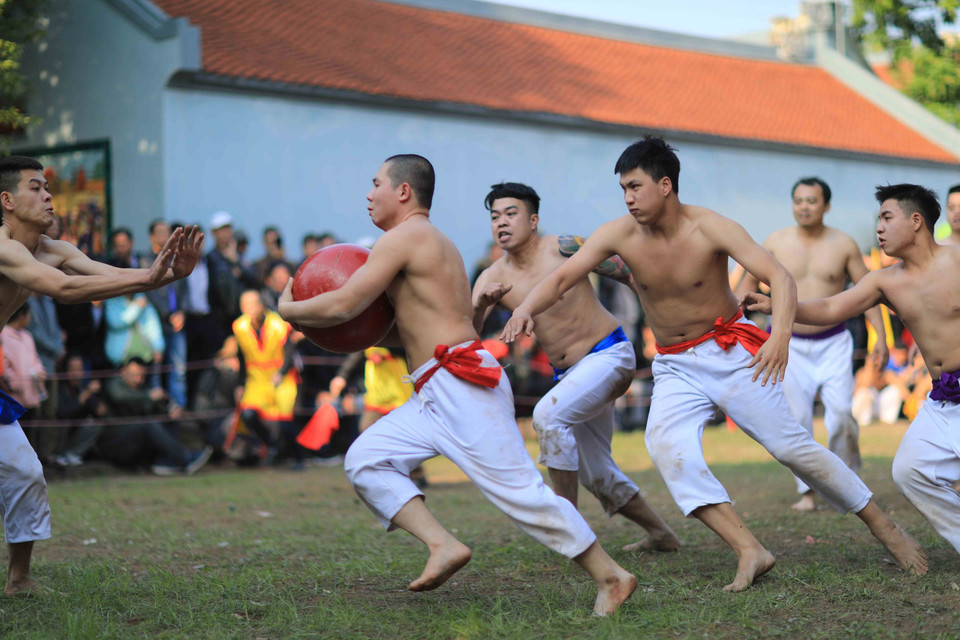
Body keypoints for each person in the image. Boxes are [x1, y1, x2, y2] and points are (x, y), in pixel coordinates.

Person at [501, 137, 927, 591]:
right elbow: (565, 274)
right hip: (673, 363)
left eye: (635, 187)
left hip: (730, 350)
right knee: (667, 447)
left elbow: (778, 277)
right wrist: (526, 307)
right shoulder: (618, 233)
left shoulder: (711, 227)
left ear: (665, 185)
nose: (627, 198)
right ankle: (750, 550)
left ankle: (886, 528)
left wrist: (779, 336)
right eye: (623, 189)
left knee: (790, 448)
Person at [278, 154, 636, 615]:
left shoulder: (403, 238)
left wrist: (289, 310)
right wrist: (331, 331)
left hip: (461, 383)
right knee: (366, 459)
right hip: (433, 386)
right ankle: (443, 545)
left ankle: (612, 576)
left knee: (521, 493)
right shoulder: (432, 241)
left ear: (403, 192)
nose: (369, 195)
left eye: (375, 184)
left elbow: (343, 304)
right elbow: (395, 332)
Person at [0, 155, 202, 595]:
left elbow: (111, 276)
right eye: (36, 187)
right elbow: (66, 290)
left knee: (24, 472)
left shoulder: (52, 249)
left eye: (47, 186)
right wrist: (151, 276)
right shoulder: (3, 248)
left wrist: (165, 276)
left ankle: (19, 579)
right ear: (8, 200)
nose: (48, 195)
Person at [743, 183, 960, 558]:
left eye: (886, 218)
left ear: (915, 221)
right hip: (943, 397)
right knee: (909, 470)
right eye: (878, 219)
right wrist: (775, 304)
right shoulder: (884, 281)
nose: (878, 227)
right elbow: (829, 308)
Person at [472, 181, 678, 552]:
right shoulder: (491, 277)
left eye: (511, 213)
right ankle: (662, 535)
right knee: (596, 473)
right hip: (569, 376)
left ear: (533, 220)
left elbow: (630, 273)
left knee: (548, 417)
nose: (501, 222)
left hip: (610, 355)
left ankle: (569, 527)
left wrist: (657, 325)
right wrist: (478, 307)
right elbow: (465, 335)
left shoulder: (564, 247)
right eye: (494, 216)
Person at [734, 177, 889, 512]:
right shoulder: (774, 242)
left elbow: (870, 292)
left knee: (842, 415)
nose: (804, 207)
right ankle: (807, 491)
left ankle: (844, 482)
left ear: (826, 205)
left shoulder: (844, 243)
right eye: (798, 201)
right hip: (787, 344)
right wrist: (731, 328)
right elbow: (744, 286)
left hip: (833, 341)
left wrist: (881, 337)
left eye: (812, 201)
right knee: (798, 418)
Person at [98, 357, 212, 475]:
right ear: (123, 371)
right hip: (114, 444)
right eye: (134, 375)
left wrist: (169, 410)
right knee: (148, 425)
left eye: (141, 376)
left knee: (165, 420)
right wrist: (149, 396)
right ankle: (185, 459)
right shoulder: (114, 384)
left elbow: (152, 408)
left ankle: (168, 461)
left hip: (135, 445)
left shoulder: (142, 389)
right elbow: (119, 396)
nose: (137, 379)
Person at [233, 290, 298, 465]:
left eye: (253, 304)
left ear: (261, 305)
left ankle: (297, 457)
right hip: (256, 381)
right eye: (245, 306)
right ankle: (271, 446)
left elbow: (290, 353)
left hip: (281, 379)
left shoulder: (279, 324)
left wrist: (281, 373)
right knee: (248, 415)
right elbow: (241, 357)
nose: (250, 309)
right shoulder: (239, 327)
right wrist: (240, 384)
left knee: (285, 422)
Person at [142, 219, 189, 407]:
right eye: (160, 232)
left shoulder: (178, 257)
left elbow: (185, 287)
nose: (165, 236)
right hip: (155, 321)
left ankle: (178, 405)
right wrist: (166, 312)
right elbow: (149, 290)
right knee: (156, 366)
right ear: (152, 236)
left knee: (179, 367)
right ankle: (158, 408)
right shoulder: (145, 259)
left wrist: (182, 312)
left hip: (177, 320)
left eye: (167, 231)